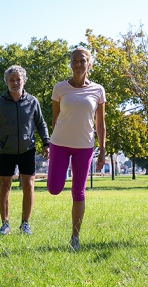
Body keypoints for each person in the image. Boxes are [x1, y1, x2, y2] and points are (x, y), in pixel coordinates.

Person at [46, 47, 106, 251]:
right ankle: (58, 177)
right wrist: (56, 141)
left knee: (78, 191)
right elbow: (55, 119)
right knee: (54, 188)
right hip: (60, 144)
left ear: (89, 64)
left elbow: (100, 124)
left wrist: (103, 149)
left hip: (84, 146)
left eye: (83, 60)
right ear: (70, 64)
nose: (78, 64)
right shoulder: (60, 88)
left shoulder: (98, 90)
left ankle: (75, 237)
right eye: (75, 60)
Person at [0, 65, 50, 236]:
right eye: (11, 80)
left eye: (18, 79)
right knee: (4, 187)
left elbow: (41, 123)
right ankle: (5, 224)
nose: (15, 82)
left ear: (24, 80)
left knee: (29, 185)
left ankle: (25, 224)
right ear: (7, 82)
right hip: (6, 151)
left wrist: (47, 143)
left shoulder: (32, 102)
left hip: (27, 150)